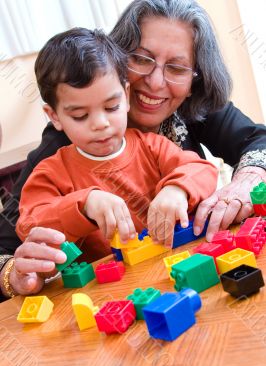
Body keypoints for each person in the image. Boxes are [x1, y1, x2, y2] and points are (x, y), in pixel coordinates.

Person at [1, 0, 265, 299]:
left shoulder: (167, 129)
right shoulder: (59, 153)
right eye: (141, 59)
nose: (155, 82)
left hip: (188, 270)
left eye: (177, 67)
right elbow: (22, 229)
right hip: (114, 291)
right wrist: (14, 272)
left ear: (194, 79)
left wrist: (241, 181)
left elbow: (237, 151)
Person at [13, 27, 216, 286]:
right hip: (109, 289)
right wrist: (83, 204)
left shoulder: (152, 146)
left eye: (111, 107)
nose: (100, 123)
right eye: (80, 116)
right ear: (54, 117)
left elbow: (201, 170)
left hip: (174, 269)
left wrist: (177, 189)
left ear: (127, 96)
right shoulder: (50, 173)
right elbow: (30, 224)